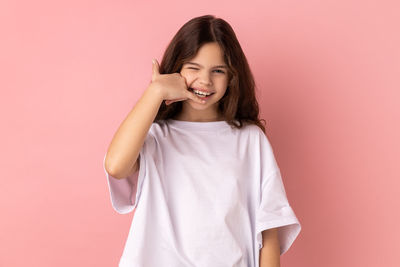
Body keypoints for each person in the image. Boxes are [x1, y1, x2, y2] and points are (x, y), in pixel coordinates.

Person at [103, 14, 301, 267]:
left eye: (218, 71)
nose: (205, 81)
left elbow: (269, 226)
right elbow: (116, 166)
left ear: (232, 77)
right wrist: (155, 92)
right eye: (194, 68)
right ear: (176, 69)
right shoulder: (154, 136)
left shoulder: (250, 140)